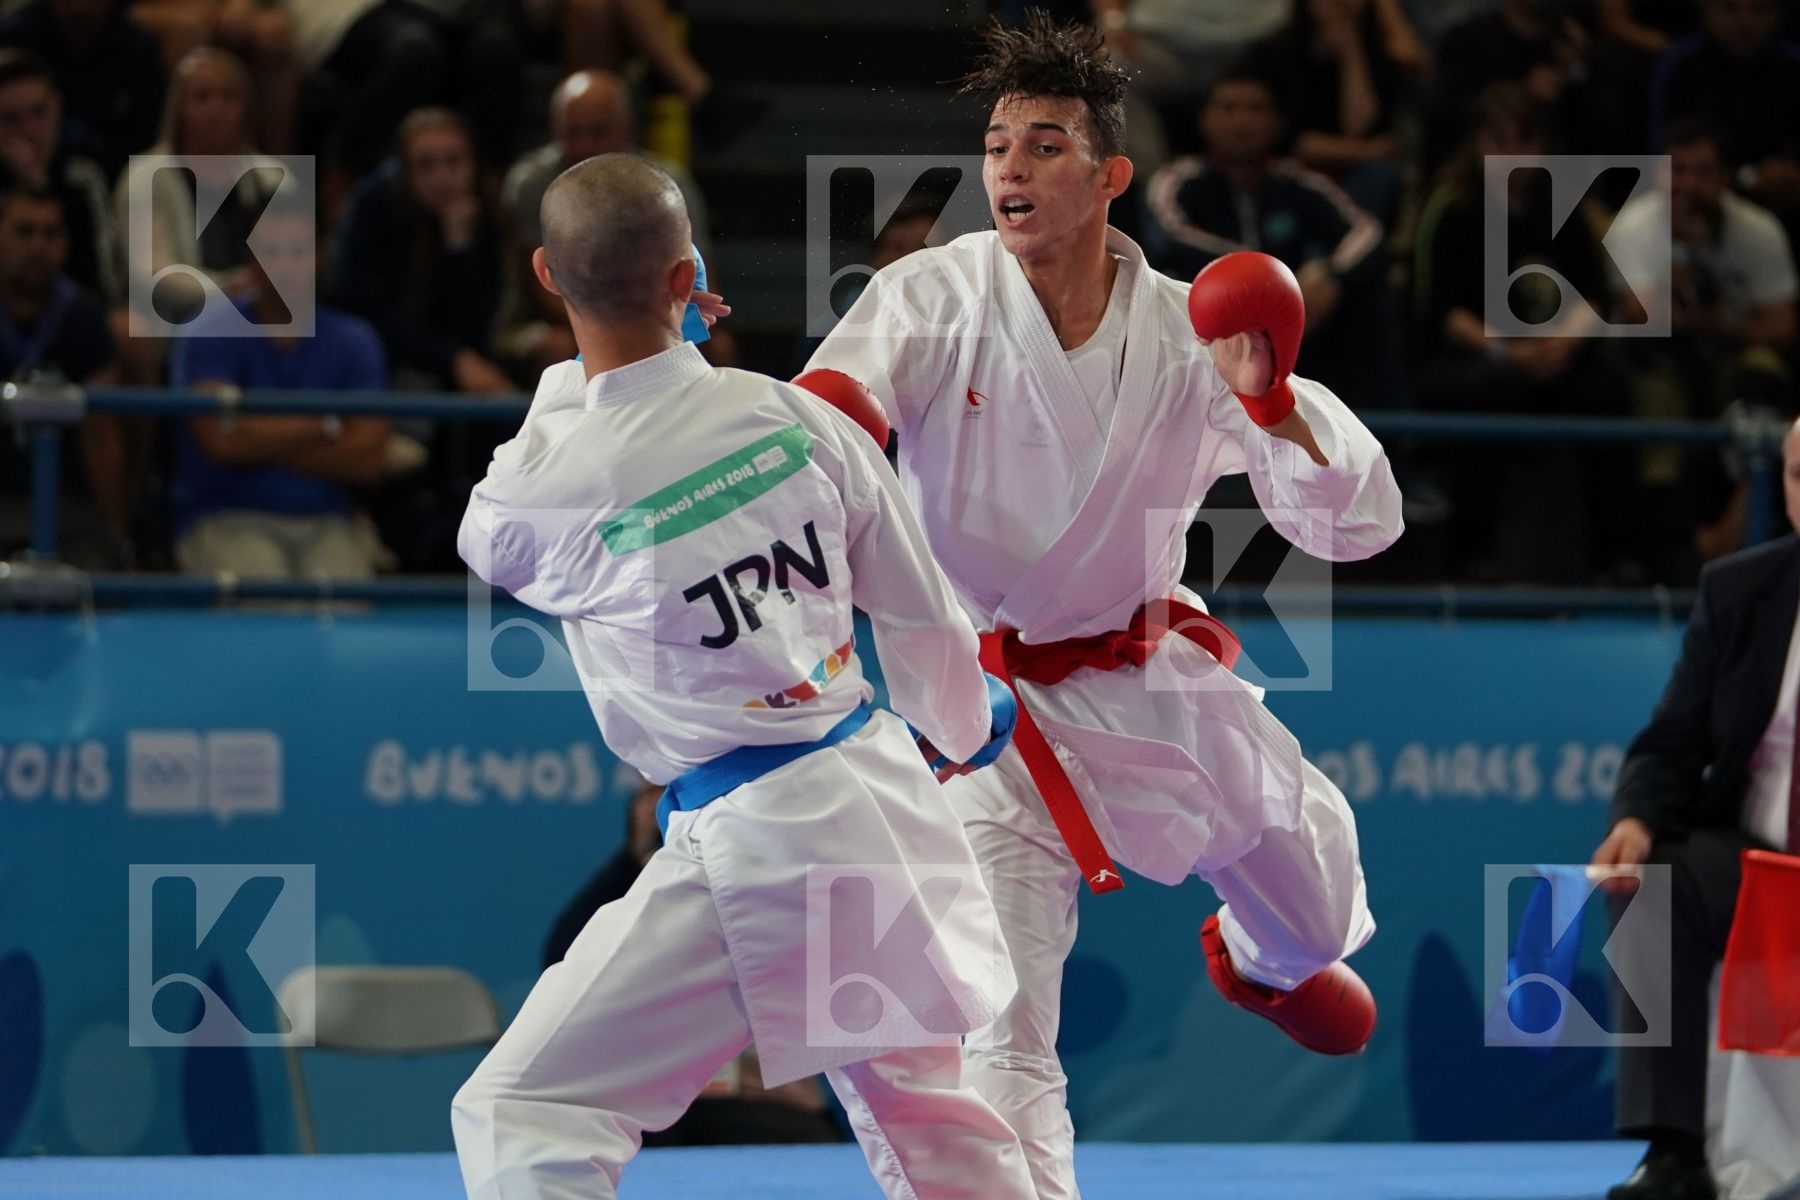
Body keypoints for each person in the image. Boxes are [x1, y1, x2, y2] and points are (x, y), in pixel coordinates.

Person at [804, 19, 1401, 1198]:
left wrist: (1274, 404)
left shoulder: (1195, 328)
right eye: (996, 146)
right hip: (979, 713)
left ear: (1110, 175)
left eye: (1045, 145)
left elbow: (1356, 523)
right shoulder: (932, 293)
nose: (1011, 170)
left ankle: (1264, 962)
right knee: (998, 1022)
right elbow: (830, 419)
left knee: (1321, 916)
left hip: (1152, 681)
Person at [450, 152, 1036, 1200]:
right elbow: (917, 606)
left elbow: (496, 526)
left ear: (546, 275)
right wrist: (961, 718)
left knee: (529, 1108)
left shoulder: (548, 490)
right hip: (873, 798)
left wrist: (606, 360)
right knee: (934, 1131)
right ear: (691, 279)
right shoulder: (796, 416)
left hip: (756, 839)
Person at [1589, 418, 1800, 1200]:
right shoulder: (1744, 590)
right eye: (1799, 475)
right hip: (1759, 857)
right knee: (1653, 884)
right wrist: (1634, 823)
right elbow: (1670, 740)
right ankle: (1675, 1152)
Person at [542, 779, 847, 1149]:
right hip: (656, 1106)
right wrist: (633, 857)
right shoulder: (638, 893)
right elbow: (563, 957)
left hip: (764, 1100)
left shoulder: (792, 873)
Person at [1412, 81, 1631, 584]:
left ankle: (1614, 555)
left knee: (1608, 394)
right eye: (1501, 141)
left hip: (1553, 358)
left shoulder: (1561, 206)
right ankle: (1470, 553)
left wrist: (1562, 345)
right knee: (1494, 393)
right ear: (1477, 143)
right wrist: (1510, 353)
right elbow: (1440, 311)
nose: (1514, 155)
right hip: (1469, 358)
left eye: (1525, 142)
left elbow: (1593, 297)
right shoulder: (1450, 207)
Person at [170, 205, 406, 579]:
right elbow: (221, 442)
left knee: (345, 613)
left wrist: (256, 439)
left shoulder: (355, 340)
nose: (284, 266)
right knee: (265, 609)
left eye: (297, 252)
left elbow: (368, 460)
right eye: (271, 253)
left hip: (330, 520)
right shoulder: (210, 330)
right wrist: (327, 426)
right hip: (227, 516)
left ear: (319, 257)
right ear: (250, 260)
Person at [1142, 68, 1400, 411]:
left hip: (1298, 324)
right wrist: (1272, 281)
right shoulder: (1177, 182)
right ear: (1204, 120)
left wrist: (1331, 275)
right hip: (1213, 324)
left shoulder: (1297, 184)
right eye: (1229, 108)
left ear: (1277, 122)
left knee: (1368, 295)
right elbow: (1172, 238)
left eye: (1256, 109)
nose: (1243, 121)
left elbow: (1365, 233)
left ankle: (1382, 433)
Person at [1605, 120, 1796, 575]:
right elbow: (1647, 315)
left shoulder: (1759, 231)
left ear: (1725, 178)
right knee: (1656, 379)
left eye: (1703, 172)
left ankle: (1735, 535)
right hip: (1659, 360)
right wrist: (1685, 253)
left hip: (1731, 358)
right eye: (1679, 171)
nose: (1689, 185)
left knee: (1764, 373)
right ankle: (1667, 551)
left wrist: (1717, 325)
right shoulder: (1634, 229)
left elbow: (1783, 325)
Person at [499, 68, 713, 375]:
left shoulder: (669, 186)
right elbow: (537, 288)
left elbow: (701, 283)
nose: (585, 145)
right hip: (561, 319)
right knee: (562, 346)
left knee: (712, 340)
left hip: (650, 314)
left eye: (598, 131)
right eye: (573, 132)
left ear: (627, 129)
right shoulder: (529, 185)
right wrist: (620, 330)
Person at [0, 184, 122, 565]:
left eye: (51, 234)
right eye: (24, 232)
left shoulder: (83, 318)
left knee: (98, 572)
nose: (38, 247)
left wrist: (117, 533)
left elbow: (101, 438)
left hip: (67, 511)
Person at [1650, 0, 1800, 249]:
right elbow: (1663, 156)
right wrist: (1744, 177)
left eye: (1759, 10)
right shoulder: (1680, 64)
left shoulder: (1793, 66)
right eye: (1729, 9)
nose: (1744, 23)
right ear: (1706, 9)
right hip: (1702, 199)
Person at [0, 49, 119, 307]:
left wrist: (39, 188)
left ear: (57, 107)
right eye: (11, 119)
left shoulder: (81, 176)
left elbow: (99, 283)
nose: (30, 131)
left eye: (39, 113)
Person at [0, 0, 165, 180]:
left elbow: (145, 146)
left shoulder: (138, 48)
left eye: (39, 112)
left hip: (112, 180)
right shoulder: (14, 36)